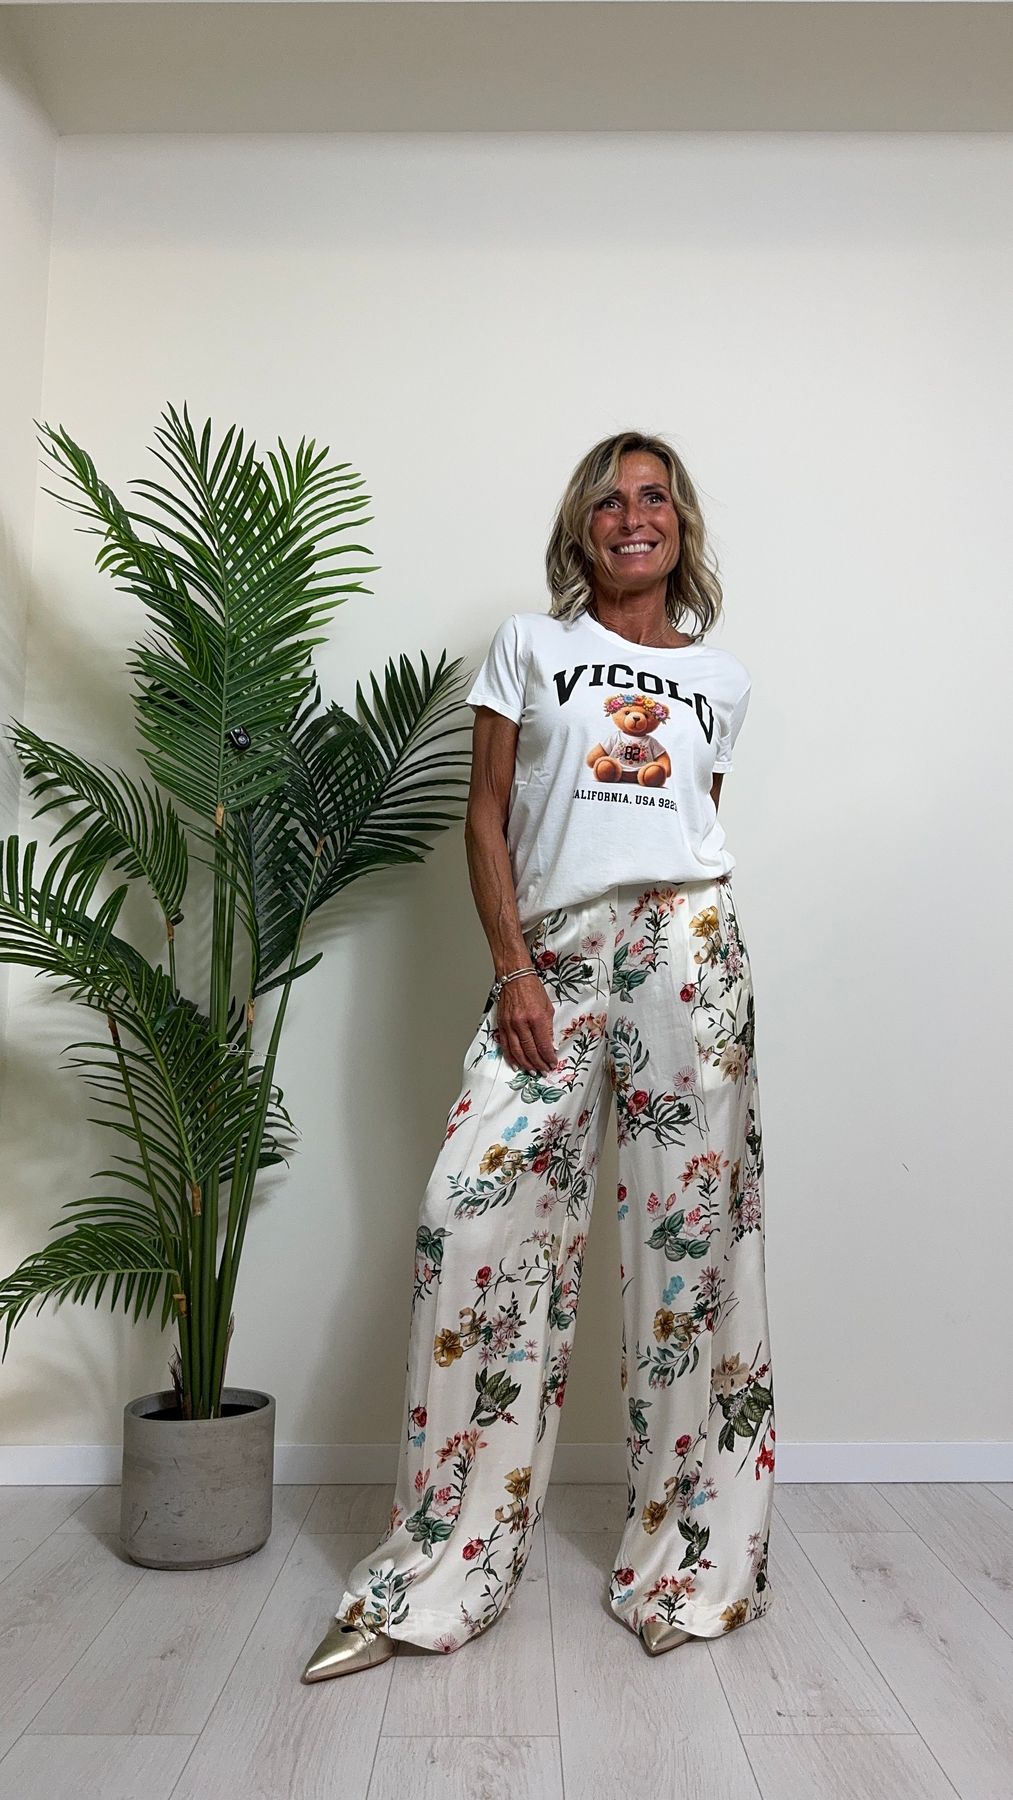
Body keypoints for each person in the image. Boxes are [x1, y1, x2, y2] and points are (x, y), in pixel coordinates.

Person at [302, 429, 776, 1682]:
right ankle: (437, 1566)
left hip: (688, 946)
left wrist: (671, 939)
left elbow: (692, 824)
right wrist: (514, 968)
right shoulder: (528, 646)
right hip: (552, 952)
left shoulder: (719, 678)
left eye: (654, 497)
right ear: (580, 527)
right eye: (609, 501)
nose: (633, 516)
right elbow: (485, 815)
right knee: (469, 1216)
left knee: (693, 1248)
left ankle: (687, 1561)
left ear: (680, 524)